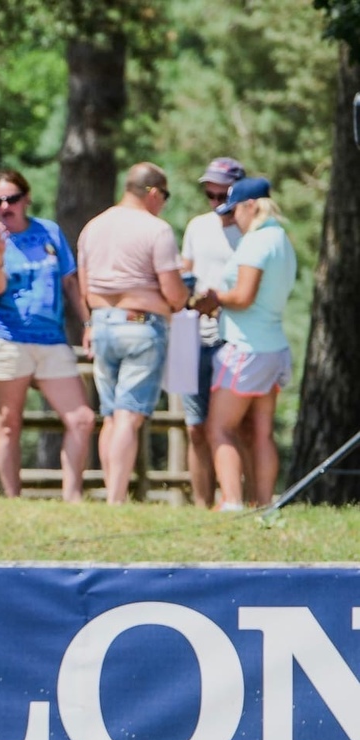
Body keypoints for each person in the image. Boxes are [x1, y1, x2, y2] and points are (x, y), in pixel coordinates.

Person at [0, 170, 96, 501]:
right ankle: (12, 500)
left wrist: (89, 325)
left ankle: (72, 499)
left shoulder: (50, 232)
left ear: (26, 198)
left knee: (82, 419)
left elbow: (70, 282)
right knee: (9, 424)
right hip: (7, 337)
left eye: (12, 198)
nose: (5, 206)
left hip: (51, 340)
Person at [76, 162, 192, 504]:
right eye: (164, 196)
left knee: (111, 415)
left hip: (100, 324)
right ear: (153, 192)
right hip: (140, 325)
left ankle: (111, 489)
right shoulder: (155, 229)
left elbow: (83, 284)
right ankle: (116, 498)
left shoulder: (93, 227)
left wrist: (89, 323)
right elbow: (173, 291)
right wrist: (185, 297)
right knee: (129, 414)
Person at [192, 177, 298, 510]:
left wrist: (213, 299)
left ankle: (232, 503)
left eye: (233, 210)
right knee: (262, 432)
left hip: (244, 349)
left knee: (219, 428)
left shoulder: (255, 242)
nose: (230, 218)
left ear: (250, 206)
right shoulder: (282, 240)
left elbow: (243, 296)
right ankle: (266, 505)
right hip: (273, 348)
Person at [179, 156, 247, 507]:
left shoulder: (251, 232)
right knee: (195, 426)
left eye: (224, 194)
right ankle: (202, 506)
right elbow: (186, 273)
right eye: (211, 193)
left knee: (233, 426)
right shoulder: (196, 226)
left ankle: (240, 499)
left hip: (234, 336)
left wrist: (220, 301)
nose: (217, 201)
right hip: (191, 333)